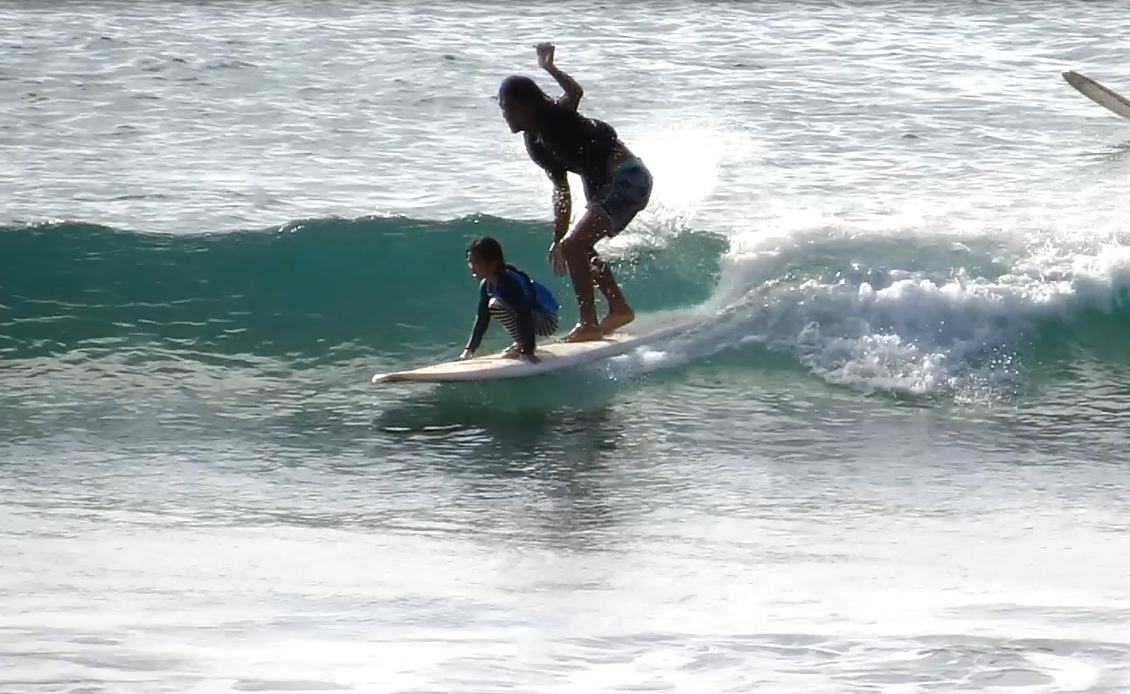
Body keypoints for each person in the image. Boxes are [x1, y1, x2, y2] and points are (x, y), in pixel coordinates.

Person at [497, 42, 653, 343]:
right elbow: (561, 191)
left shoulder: (555, 116)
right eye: (502, 108)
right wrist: (558, 237)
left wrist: (549, 68)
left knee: (574, 245)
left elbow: (575, 92)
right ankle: (619, 308)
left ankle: (588, 324)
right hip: (611, 187)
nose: (504, 114)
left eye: (508, 106)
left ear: (527, 105)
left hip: (629, 179)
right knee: (577, 246)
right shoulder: (535, 143)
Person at [460, 235, 560, 363]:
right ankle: (522, 343)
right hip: (533, 319)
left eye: (476, 262)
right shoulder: (486, 285)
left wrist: (527, 350)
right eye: (470, 262)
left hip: (547, 321)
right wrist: (470, 349)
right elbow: (482, 318)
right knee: (492, 305)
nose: (472, 266)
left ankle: (522, 345)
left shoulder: (508, 283)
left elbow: (523, 315)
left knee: (495, 304)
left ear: (493, 263)